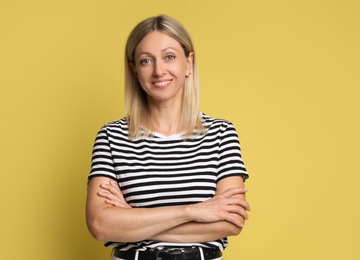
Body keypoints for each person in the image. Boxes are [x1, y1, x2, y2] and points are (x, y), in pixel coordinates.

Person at [86, 15, 250, 260]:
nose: (158, 70)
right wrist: (192, 212)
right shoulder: (112, 136)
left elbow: (232, 222)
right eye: (146, 61)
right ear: (134, 69)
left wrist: (133, 218)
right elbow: (100, 225)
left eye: (169, 57)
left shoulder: (221, 134)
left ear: (189, 63)